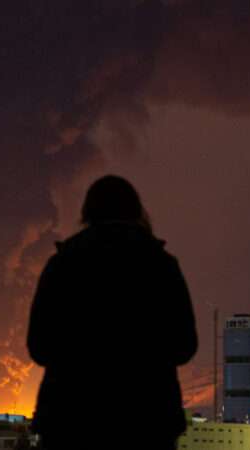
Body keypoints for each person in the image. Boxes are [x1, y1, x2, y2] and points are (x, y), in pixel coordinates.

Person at [27, 175, 198, 450]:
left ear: (87, 213)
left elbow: (39, 347)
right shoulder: (161, 266)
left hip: (71, 422)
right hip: (146, 423)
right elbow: (184, 346)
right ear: (136, 211)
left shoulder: (63, 264)